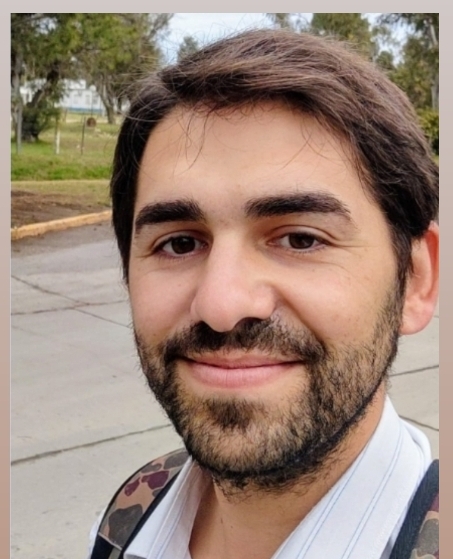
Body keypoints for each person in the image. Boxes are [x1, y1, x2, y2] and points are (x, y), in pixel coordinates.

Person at [88, 28, 439, 559]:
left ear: (415, 280)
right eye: (179, 243)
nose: (222, 306)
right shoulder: (130, 514)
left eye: (301, 239)